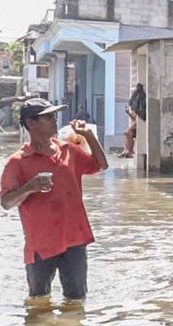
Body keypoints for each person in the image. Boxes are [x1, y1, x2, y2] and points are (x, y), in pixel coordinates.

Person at [0, 99, 108, 303]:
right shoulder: (17, 162)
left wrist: (89, 136)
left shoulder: (69, 151)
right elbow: (6, 203)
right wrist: (29, 187)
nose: (54, 119)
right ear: (31, 123)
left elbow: (101, 165)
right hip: (41, 243)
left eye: (54, 115)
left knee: (76, 300)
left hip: (74, 238)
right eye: (48, 116)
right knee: (38, 300)